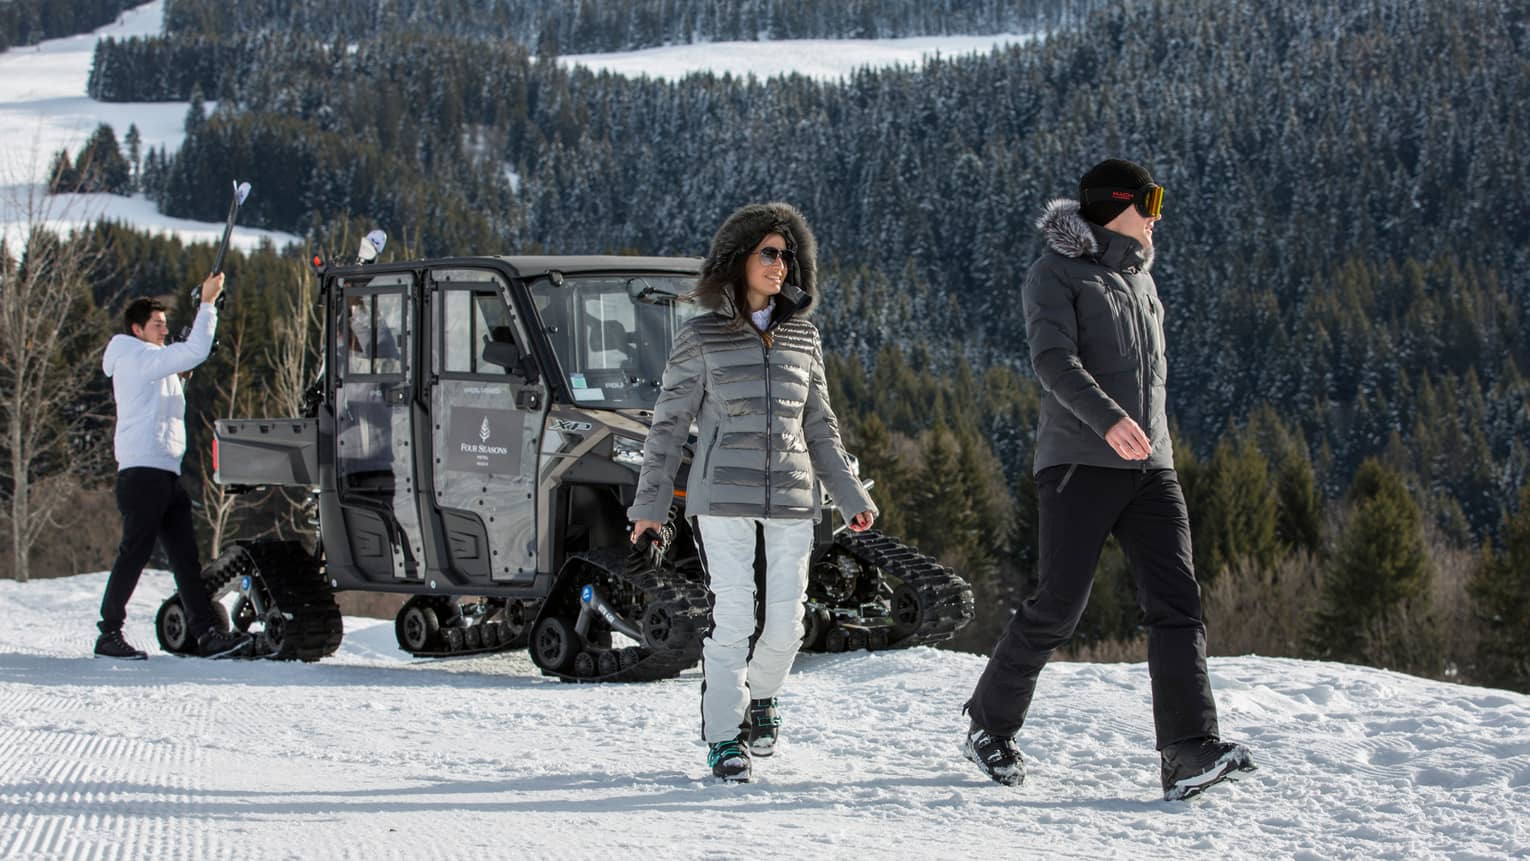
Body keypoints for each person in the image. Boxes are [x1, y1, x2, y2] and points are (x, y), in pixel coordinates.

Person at [961, 159, 1255, 800]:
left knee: (1178, 604)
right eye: (1149, 201)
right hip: (1079, 463)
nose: (1156, 216)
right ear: (1115, 204)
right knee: (1058, 607)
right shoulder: (1054, 273)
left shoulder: (1140, 280)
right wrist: (1109, 419)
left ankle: (1187, 750)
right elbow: (1053, 361)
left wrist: (1150, 439)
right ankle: (989, 723)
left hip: (1152, 466)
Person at [629, 202, 877, 783]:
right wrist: (649, 509)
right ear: (739, 259)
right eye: (768, 252)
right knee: (735, 617)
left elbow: (820, 427)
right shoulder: (701, 337)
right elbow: (668, 428)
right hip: (721, 499)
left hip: (793, 496)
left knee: (788, 624)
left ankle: (761, 697)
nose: (779, 264)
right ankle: (723, 736)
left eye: (787, 255)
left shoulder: (804, 337)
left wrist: (849, 496)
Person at [95, 276, 253, 660]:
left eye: (165, 324)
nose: (164, 330)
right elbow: (195, 349)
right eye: (157, 325)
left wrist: (182, 370)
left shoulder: (152, 362)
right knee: (135, 553)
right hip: (142, 475)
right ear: (137, 330)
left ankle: (205, 634)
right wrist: (208, 304)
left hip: (165, 472)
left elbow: (177, 374)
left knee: (185, 559)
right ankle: (109, 633)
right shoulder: (137, 358)